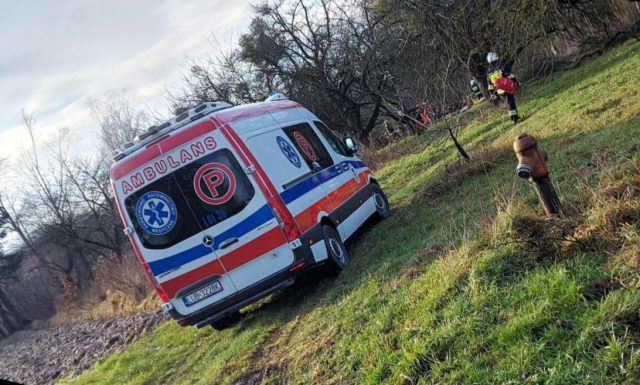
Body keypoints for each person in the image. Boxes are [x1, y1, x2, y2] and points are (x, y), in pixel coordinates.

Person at [486, 52, 521, 124]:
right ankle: (514, 119)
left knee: (510, 103)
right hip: (507, 88)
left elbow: (490, 84)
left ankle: (515, 117)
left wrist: (492, 93)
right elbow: (510, 75)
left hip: (499, 91)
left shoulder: (489, 71)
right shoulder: (501, 65)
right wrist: (516, 82)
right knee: (511, 103)